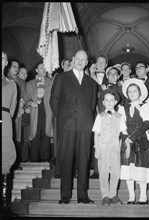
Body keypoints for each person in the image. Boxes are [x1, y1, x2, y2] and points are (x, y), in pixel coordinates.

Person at [50, 50, 98, 204]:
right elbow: (54, 100)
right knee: (66, 160)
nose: (80, 61)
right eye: (78, 59)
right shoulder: (62, 77)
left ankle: (83, 195)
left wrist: (87, 121)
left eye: (84, 60)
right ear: (73, 60)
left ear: (87, 63)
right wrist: (63, 118)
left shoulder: (92, 83)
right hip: (67, 124)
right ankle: (65, 195)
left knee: (84, 160)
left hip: (85, 125)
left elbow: (92, 107)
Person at [118, 78, 149, 204]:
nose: (132, 93)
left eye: (135, 91)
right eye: (129, 91)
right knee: (128, 167)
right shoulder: (123, 108)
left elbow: (146, 124)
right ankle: (131, 196)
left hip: (141, 138)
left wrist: (134, 137)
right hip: (127, 140)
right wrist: (126, 138)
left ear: (140, 92)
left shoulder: (146, 106)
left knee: (141, 167)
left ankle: (143, 196)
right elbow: (121, 125)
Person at [92, 89, 128, 207]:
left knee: (115, 171)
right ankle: (105, 196)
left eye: (111, 100)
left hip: (115, 148)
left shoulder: (120, 116)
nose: (109, 102)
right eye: (106, 100)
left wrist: (126, 146)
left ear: (116, 102)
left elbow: (124, 132)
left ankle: (113, 194)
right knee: (103, 172)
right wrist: (97, 148)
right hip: (103, 148)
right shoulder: (100, 116)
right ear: (103, 102)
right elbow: (96, 133)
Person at [24, 62, 53, 162]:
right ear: (36, 70)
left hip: (47, 111)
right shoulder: (30, 83)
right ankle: (34, 157)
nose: (44, 70)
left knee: (46, 132)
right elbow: (26, 98)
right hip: (35, 111)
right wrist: (31, 103)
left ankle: (45, 157)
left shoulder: (51, 82)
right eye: (41, 68)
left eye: (45, 68)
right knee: (35, 133)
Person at [2, 51, 18, 219]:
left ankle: (5, 206)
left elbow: (12, 110)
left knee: (6, 157)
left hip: (4, 121)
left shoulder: (11, 84)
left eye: (3, 59)